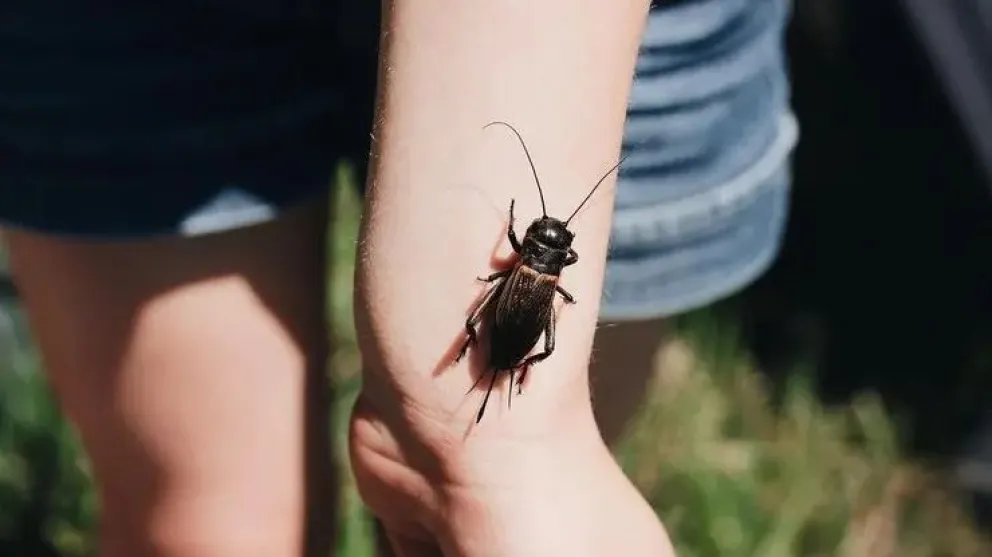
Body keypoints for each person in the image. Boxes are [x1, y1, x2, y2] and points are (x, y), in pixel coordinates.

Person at [1, 0, 795, 556]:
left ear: (538, 254)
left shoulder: (521, 267)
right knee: (206, 533)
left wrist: (505, 450)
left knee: (455, 514)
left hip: (605, 35)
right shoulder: (540, 277)